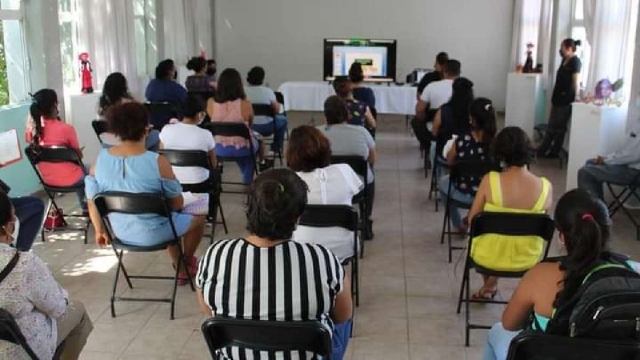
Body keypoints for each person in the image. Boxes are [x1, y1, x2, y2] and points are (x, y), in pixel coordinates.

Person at [196, 168, 353, 360]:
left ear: (250, 209)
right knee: (343, 320)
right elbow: (343, 315)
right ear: (297, 218)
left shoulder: (215, 255)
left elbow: (209, 310)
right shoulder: (323, 259)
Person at [481, 189, 614, 360]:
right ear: (608, 230)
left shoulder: (541, 275)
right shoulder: (632, 272)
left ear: (562, 237)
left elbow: (509, 323)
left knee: (497, 332)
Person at [85, 102, 206, 284]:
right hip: (157, 232)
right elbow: (177, 204)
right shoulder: (158, 161)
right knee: (199, 211)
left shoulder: (101, 160)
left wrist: (99, 231)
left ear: (115, 129)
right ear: (146, 129)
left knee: (169, 216)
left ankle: (181, 265)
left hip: (121, 233)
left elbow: (92, 200)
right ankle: (183, 262)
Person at [0, 191, 93, 360]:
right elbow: (58, 309)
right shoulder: (23, 264)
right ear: (7, 227)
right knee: (77, 310)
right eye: (14, 219)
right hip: (20, 351)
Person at [468, 126, 553, 300]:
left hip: (487, 257)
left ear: (500, 153)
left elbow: (472, 221)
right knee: (510, 237)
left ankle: (489, 285)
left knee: (495, 239)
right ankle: (490, 286)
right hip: (527, 259)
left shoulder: (490, 180)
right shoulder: (546, 187)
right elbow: (543, 224)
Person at [287, 125, 363, 260]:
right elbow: (358, 195)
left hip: (301, 248)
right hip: (343, 247)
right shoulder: (344, 171)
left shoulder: (290, 181)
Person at [319, 95, 376, 239]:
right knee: (370, 175)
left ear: (325, 115)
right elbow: (372, 158)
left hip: (323, 186)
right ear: (348, 114)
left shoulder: (316, 133)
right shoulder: (361, 132)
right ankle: (366, 218)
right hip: (357, 187)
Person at [25, 89, 87, 214]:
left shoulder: (32, 131)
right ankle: (87, 208)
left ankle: (85, 206)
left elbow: (29, 141)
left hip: (48, 181)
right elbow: (78, 156)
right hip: (72, 179)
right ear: (54, 105)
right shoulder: (66, 129)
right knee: (90, 173)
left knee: (82, 170)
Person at [206, 68, 272, 185]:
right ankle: (247, 183)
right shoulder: (245, 104)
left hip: (218, 148)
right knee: (250, 152)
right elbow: (250, 125)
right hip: (243, 148)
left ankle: (245, 179)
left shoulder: (210, 103)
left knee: (244, 150)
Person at [440, 97, 497, 232]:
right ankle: (474, 217)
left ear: (473, 119)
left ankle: (459, 224)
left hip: (464, 192)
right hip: (491, 195)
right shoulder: (498, 143)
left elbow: (449, 161)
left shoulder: (462, 140)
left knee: (443, 183)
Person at [536, 38, 582, 158]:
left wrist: (577, 96)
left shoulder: (575, 62)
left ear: (569, 49)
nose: (560, 50)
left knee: (559, 128)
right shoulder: (564, 60)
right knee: (551, 125)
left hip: (566, 99)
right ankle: (542, 149)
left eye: (562, 47)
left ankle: (553, 152)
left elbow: (575, 81)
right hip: (557, 97)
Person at [159, 95, 217, 184]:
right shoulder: (206, 134)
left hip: (172, 181)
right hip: (199, 182)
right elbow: (213, 164)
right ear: (199, 114)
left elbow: (162, 156)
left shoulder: (166, 129)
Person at [413, 59, 461, 167]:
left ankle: (428, 148)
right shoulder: (465, 89)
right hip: (460, 131)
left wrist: (423, 118)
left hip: (436, 130)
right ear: (459, 72)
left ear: (444, 71)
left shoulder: (432, 86)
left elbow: (419, 110)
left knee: (416, 122)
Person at [97, 72, 160, 151]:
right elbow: (136, 127)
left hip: (107, 143)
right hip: (128, 143)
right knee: (156, 134)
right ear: (123, 87)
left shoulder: (101, 105)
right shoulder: (128, 104)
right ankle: (149, 160)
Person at [578, 122, 640, 200]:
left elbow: (632, 156)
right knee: (591, 163)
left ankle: (594, 209)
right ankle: (598, 205)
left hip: (634, 172)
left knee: (585, 172)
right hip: (630, 167)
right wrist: (608, 158)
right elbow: (626, 151)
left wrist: (607, 160)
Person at [245, 66, 288, 154]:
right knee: (283, 120)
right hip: (267, 127)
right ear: (262, 79)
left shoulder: (243, 91)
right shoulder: (268, 91)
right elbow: (276, 110)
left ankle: (252, 147)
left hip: (248, 127)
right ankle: (275, 148)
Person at [432, 77, 474, 157]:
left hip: (445, 152)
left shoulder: (443, 110)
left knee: (433, 146)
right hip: (469, 153)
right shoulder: (474, 111)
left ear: (453, 91)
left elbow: (434, 132)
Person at [145, 59, 188, 129]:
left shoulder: (151, 85)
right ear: (170, 72)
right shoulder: (175, 88)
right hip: (173, 123)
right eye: (174, 69)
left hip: (153, 122)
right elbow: (187, 101)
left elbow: (147, 96)